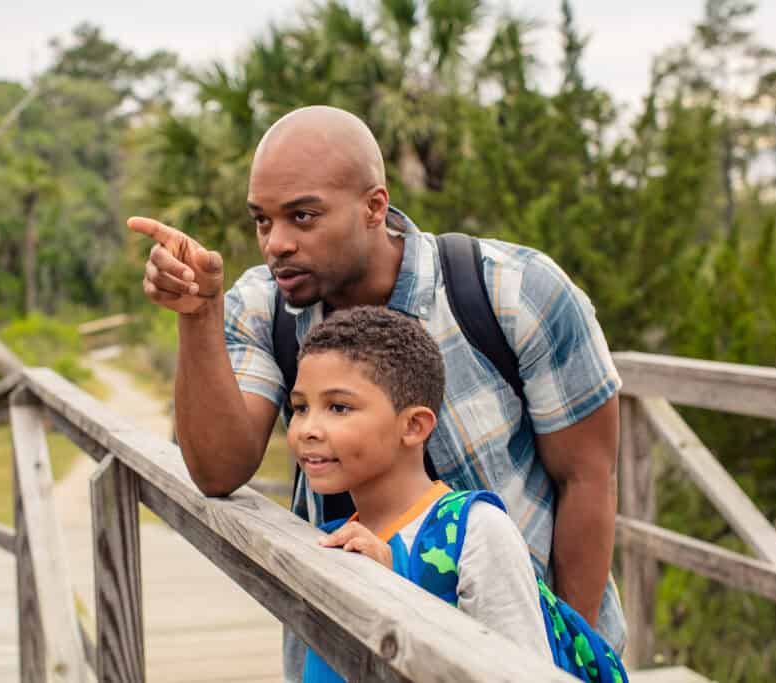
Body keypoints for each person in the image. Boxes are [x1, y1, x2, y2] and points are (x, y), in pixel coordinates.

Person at [127, 105, 625, 679]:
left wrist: (564, 658)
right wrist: (198, 315)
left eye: (303, 216)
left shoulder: (515, 292)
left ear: (374, 207)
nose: (276, 243)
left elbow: (587, 477)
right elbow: (218, 470)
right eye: (262, 221)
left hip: (521, 648)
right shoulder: (262, 307)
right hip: (354, 647)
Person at [290, 306, 554, 681]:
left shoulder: (476, 534)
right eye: (300, 408)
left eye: (339, 407)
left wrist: (394, 595)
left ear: (413, 426)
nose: (307, 429)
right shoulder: (336, 535)